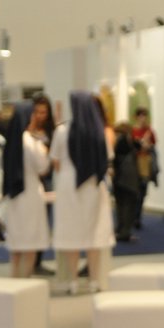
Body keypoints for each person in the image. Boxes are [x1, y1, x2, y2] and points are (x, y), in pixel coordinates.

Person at [50, 90, 112, 293]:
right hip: (94, 186)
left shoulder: (61, 131)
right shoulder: (99, 132)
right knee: (94, 232)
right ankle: (94, 280)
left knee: (71, 231)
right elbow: (107, 160)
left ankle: (73, 281)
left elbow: (55, 162)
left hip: (69, 186)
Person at [0, 100, 51, 277]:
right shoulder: (30, 142)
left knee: (16, 244)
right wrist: (43, 149)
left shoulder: (11, 142)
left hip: (15, 197)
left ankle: (14, 279)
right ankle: (25, 280)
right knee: (30, 243)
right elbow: (43, 167)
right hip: (30, 194)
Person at [111, 119, 143, 243]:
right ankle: (125, 232)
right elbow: (139, 147)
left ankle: (120, 229)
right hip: (128, 178)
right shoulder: (126, 141)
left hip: (118, 177)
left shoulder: (115, 141)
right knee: (129, 205)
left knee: (120, 205)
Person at [130, 106, 157, 230]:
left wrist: (147, 144)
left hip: (145, 162)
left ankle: (137, 217)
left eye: (144, 116)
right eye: (141, 115)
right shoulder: (132, 131)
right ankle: (134, 216)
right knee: (135, 191)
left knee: (143, 190)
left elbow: (153, 145)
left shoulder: (149, 131)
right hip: (135, 163)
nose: (143, 118)